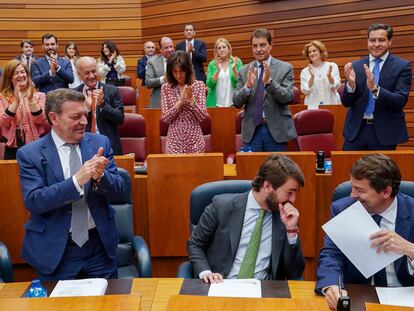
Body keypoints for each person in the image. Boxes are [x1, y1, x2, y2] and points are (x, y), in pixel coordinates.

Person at [16, 88, 124, 280]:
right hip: (56, 250)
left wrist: (101, 177)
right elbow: (34, 201)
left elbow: (119, 192)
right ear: (54, 118)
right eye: (75, 117)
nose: (83, 122)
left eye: (85, 115)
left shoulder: (100, 143)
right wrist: (76, 180)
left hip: (98, 247)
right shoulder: (30, 154)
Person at [316, 154, 414, 310]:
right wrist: (331, 285)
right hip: (359, 296)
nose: (352, 194)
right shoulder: (343, 209)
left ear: (386, 192)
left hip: (406, 298)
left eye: (359, 190)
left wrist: (409, 249)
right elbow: (332, 255)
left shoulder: (412, 210)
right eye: (353, 186)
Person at [188, 154, 305, 283]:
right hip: (221, 285)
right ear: (267, 186)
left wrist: (291, 231)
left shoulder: (286, 219)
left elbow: (295, 272)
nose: (293, 200)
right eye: (289, 193)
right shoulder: (221, 207)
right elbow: (195, 245)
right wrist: (206, 273)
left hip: (264, 292)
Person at [341, 23, 412, 151]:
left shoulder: (402, 66)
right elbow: (346, 103)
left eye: (381, 40)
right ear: (367, 41)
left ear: (390, 41)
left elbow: (400, 101)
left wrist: (375, 89)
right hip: (356, 132)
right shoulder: (356, 66)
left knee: (381, 171)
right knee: (350, 170)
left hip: (384, 132)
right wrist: (351, 85)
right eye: (372, 40)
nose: (376, 44)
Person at [233, 28, 296, 152]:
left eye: (262, 45)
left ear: (271, 45)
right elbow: (236, 102)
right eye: (255, 46)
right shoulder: (244, 71)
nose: (258, 49)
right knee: (252, 170)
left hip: (276, 130)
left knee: (276, 170)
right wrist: (247, 87)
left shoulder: (285, 68)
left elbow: (288, 97)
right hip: (252, 130)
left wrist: (269, 83)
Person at [74, 56, 124, 155]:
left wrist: (103, 105)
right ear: (79, 75)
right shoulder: (74, 94)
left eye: (94, 71)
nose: (92, 76)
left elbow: (120, 119)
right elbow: (73, 123)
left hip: (109, 146)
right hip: (83, 146)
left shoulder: (111, 90)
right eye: (87, 73)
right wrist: (87, 109)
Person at [160, 51, 208, 154]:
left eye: (181, 71)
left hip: (195, 140)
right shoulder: (166, 88)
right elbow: (165, 117)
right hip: (174, 142)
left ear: (188, 70)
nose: (178, 75)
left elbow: (202, 116)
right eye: (174, 71)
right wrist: (179, 103)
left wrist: (191, 99)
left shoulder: (199, 85)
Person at [0, 59, 46, 159]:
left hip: (36, 145)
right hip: (12, 147)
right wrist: (16, 102)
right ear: (9, 77)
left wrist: (30, 101)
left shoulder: (40, 96)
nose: (20, 75)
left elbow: (41, 120)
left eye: (22, 72)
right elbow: (3, 123)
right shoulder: (2, 98)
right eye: (16, 73)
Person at [300, 40, 341, 108]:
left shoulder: (332, 66)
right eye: (309, 52)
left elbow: (336, 86)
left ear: (321, 52)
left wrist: (329, 76)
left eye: (314, 51)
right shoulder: (305, 71)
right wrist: (312, 77)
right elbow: (305, 91)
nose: (311, 53)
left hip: (331, 103)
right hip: (312, 106)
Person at [206, 38, 243, 107]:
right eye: (219, 48)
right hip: (215, 104)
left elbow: (240, 82)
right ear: (216, 51)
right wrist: (218, 71)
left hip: (232, 103)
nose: (222, 50)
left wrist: (234, 69)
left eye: (224, 47)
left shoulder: (236, 62)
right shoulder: (212, 64)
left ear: (228, 49)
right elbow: (210, 85)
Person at [145, 37, 175, 108]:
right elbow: (148, 82)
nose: (170, 50)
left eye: (171, 46)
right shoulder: (152, 62)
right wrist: (163, 79)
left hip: (178, 99)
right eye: (166, 48)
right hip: (159, 100)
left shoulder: (180, 59)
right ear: (160, 50)